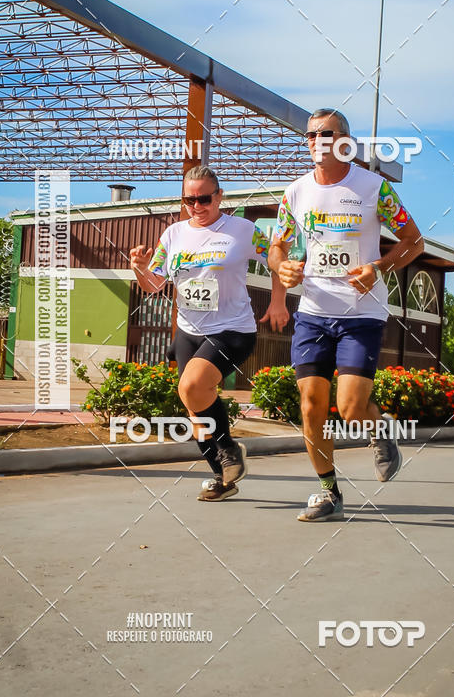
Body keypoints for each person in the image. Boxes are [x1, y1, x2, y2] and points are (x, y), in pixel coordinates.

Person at [268, 108, 423, 522]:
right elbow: (277, 247)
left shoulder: (374, 188)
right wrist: (282, 267)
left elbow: (413, 242)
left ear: (345, 142)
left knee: (351, 408)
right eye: (310, 134)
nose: (316, 139)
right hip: (314, 312)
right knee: (310, 406)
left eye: (326, 133)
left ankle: (379, 429)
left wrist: (378, 267)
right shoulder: (295, 193)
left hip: (361, 312)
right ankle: (328, 492)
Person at [130, 166, 289, 501]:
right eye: (190, 199)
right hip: (189, 330)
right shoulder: (173, 235)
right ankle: (222, 476)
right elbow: (155, 284)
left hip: (232, 329)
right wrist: (141, 269)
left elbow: (277, 258)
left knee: (192, 386)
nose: (197, 206)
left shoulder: (241, 230)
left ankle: (230, 449)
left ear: (220, 197)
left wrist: (278, 301)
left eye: (204, 198)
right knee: (194, 406)